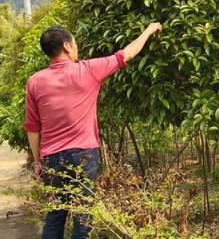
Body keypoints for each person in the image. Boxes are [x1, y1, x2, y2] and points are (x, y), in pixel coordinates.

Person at [24, 22, 162, 239]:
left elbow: (32, 127)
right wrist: (149, 29)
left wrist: (37, 161)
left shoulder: (34, 82)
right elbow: (126, 54)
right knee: (84, 214)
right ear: (67, 46)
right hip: (84, 155)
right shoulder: (88, 70)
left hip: (51, 158)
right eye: (75, 43)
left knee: (56, 214)